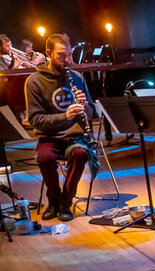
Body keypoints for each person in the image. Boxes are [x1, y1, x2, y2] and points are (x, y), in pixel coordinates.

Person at [24, 33, 96, 221]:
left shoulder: (77, 77)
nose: (68, 60)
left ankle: (65, 202)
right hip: (49, 136)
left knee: (80, 154)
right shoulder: (34, 82)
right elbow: (35, 119)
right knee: (44, 157)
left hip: (75, 137)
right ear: (48, 53)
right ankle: (53, 200)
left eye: (70, 55)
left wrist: (85, 106)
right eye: (62, 55)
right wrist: (65, 116)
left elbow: (91, 114)